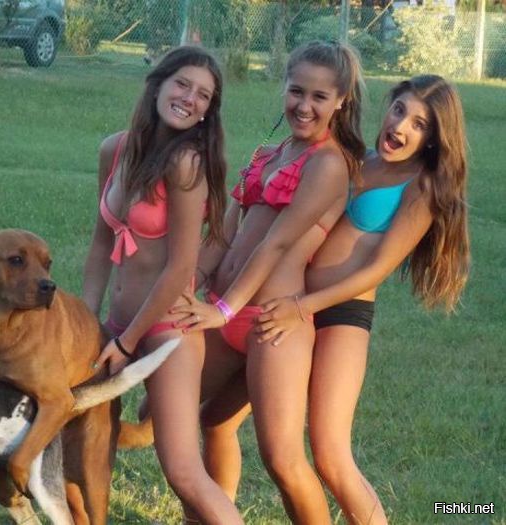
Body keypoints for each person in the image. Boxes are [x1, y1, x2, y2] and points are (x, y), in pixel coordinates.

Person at [200, 74, 470, 525]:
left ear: (433, 138)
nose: (400, 126)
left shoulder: (420, 186)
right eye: (399, 110)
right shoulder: (355, 160)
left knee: (330, 455)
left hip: (340, 316)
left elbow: (376, 269)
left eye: (419, 124)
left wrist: (302, 307)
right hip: (291, 304)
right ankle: (215, 514)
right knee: (216, 420)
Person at [170, 40, 365, 524]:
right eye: (296, 91)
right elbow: (225, 233)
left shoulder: (329, 164)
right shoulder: (270, 153)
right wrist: (191, 281)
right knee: (197, 417)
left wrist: (224, 310)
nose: (304, 105)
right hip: (223, 306)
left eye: (319, 97)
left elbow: (276, 244)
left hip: (272, 322)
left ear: (341, 100)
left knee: (282, 458)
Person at [81, 46, 243, 524]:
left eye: (204, 95)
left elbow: (180, 268)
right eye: (183, 84)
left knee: (183, 471)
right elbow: (100, 245)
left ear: (208, 112)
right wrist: (86, 321)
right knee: (87, 447)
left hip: (165, 331)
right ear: (158, 84)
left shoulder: (186, 163)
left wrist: (127, 343)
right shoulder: (114, 150)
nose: (190, 99)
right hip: (116, 326)